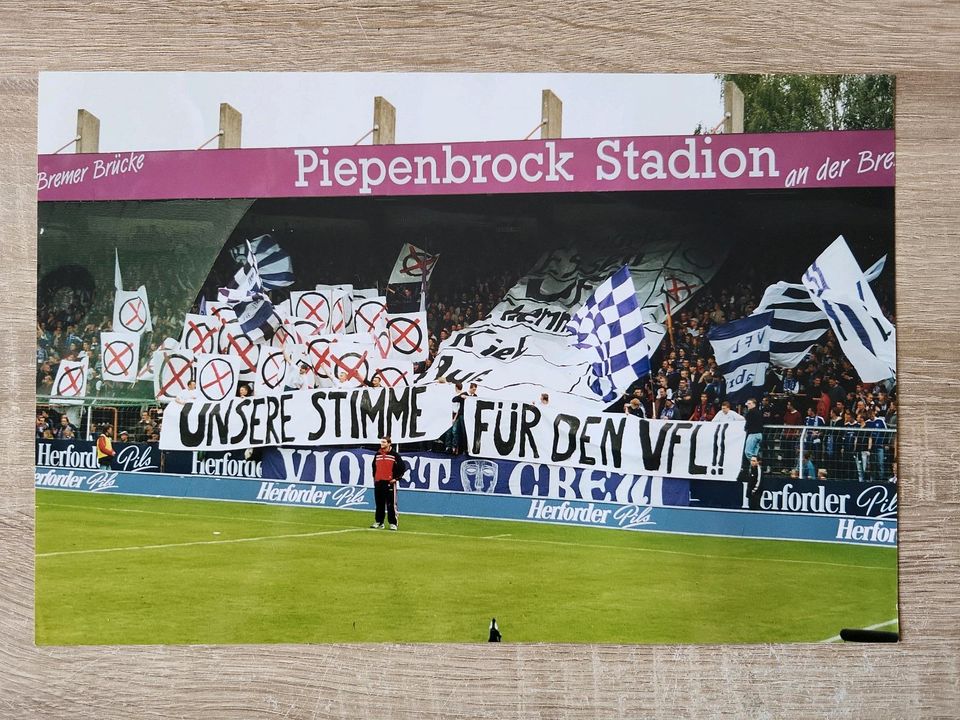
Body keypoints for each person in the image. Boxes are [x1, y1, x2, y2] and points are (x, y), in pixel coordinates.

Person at [370, 436, 404, 531]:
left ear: (389, 443)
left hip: (389, 483)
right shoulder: (378, 454)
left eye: (384, 442)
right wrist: (375, 478)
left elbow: (402, 467)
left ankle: (393, 523)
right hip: (379, 482)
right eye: (381, 442)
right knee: (379, 504)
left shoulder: (394, 455)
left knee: (391, 504)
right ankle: (379, 522)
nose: (382, 443)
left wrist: (396, 478)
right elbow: (374, 467)